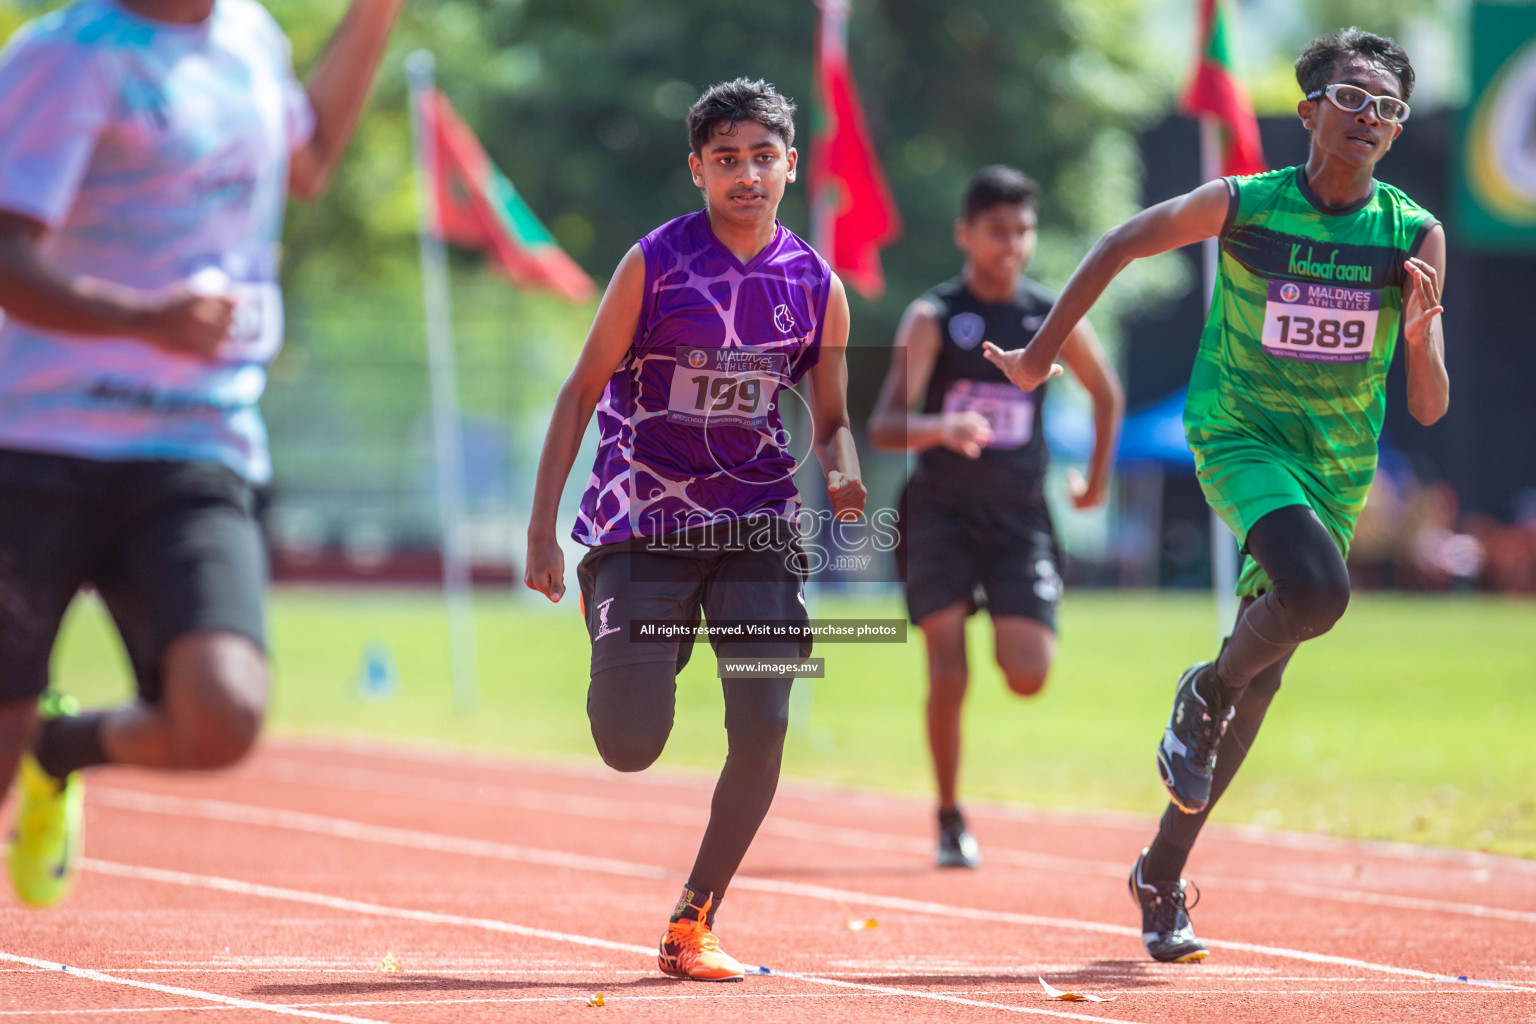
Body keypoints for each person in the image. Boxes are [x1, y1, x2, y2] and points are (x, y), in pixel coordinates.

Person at [984, 28, 1447, 961]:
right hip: (1240, 437)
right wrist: (1040, 357)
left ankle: (1160, 875)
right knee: (1317, 595)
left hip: (1336, 465)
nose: (1370, 120)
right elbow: (1119, 243)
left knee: (1261, 684)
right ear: (1310, 109)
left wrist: (1425, 333)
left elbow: (1431, 408)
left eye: (1388, 110)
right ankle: (1203, 688)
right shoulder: (1247, 206)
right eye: (1351, 100)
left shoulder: (1410, 233)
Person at [0, 0, 407, 908]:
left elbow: (305, 164)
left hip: (195, 439)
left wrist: (377, 12)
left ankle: (61, 752)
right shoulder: (67, 56)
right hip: (35, 444)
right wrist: (141, 319)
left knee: (221, 717)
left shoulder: (250, 39)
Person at [524, 78, 865, 982]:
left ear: (791, 165)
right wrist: (541, 532)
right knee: (630, 743)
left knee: (763, 724)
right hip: (641, 522)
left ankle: (693, 921)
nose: (746, 174)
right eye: (726, 160)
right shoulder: (654, 263)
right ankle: (631, 625)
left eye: (762, 157)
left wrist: (844, 472)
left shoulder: (817, 287)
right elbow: (578, 393)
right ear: (698, 170)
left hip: (758, 522)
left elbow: (828, 418)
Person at [867, 165, 1122, 868]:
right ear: (966, 235)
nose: (1011, 244)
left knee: (1028, 672)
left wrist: (1094, 485)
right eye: (997, 231)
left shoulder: (1052, 314)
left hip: (1019, 519)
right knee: (946, 670)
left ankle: (1003, 612)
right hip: (940, 514)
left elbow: (1107, 396)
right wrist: (941, 429)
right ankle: (949, 816)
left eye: (1023, 230)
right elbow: (886, 425)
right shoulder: (934, 318)